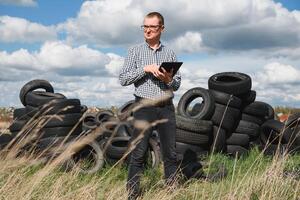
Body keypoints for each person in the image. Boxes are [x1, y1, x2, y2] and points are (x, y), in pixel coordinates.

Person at [119, 11, 181, 200]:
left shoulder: (169, 52)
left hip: (166, 106)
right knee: (139, 151)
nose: (147, 30)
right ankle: (133, 194)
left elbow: (177, 84)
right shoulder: (134, 51)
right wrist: (144, 69)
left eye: (152, 27)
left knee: (170, 152)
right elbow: (123, 79)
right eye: (144, 26)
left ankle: (171, 191)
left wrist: (168, 79)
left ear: (161, 28)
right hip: (144, 107)